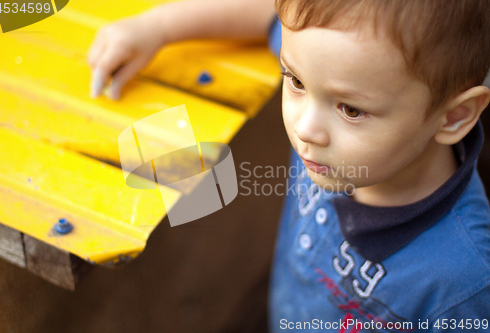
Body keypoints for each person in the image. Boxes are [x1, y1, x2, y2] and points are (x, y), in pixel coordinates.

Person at [88, 0, 490, 331]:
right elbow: (268, 13)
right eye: (294, 81)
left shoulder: (463, 283)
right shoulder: (336, 65)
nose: (305, 128)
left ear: (453, 117)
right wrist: (156, 27)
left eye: (350, 109)